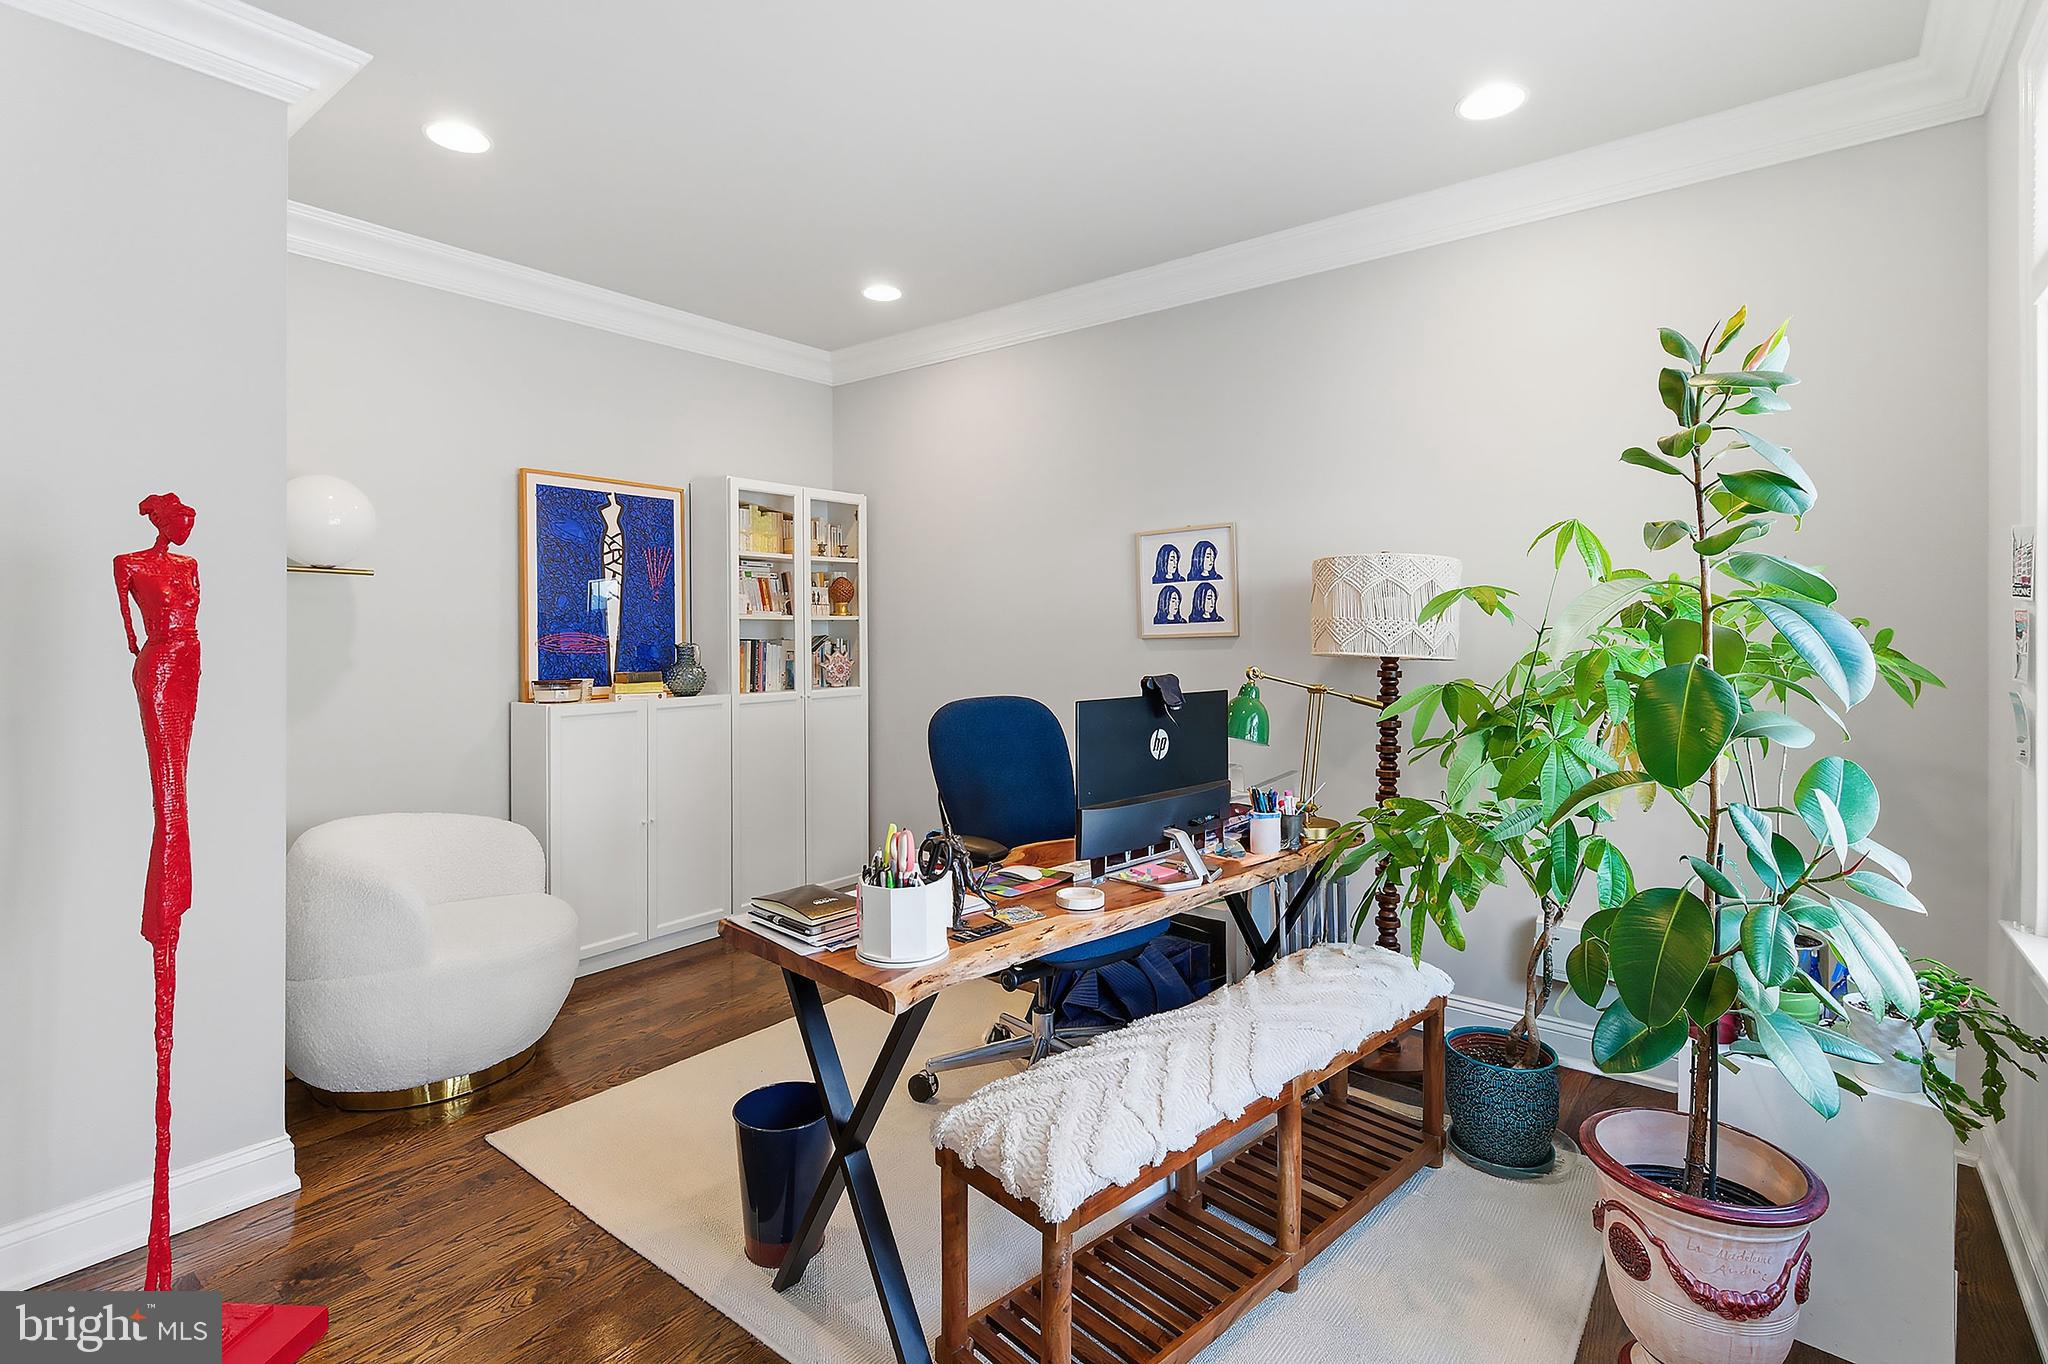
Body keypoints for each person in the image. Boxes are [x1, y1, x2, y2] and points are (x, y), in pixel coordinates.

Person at [113, 491, 202, 1293]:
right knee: (167, 794)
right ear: (162, 520)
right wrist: (159, 654)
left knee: (179, 792)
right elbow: (133, 639)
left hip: (190, 663)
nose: (188, 533)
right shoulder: (128, 565)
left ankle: (163, 1270)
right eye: (182, 519)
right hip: (161, 666)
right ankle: (168, 891)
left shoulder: (190, 570)